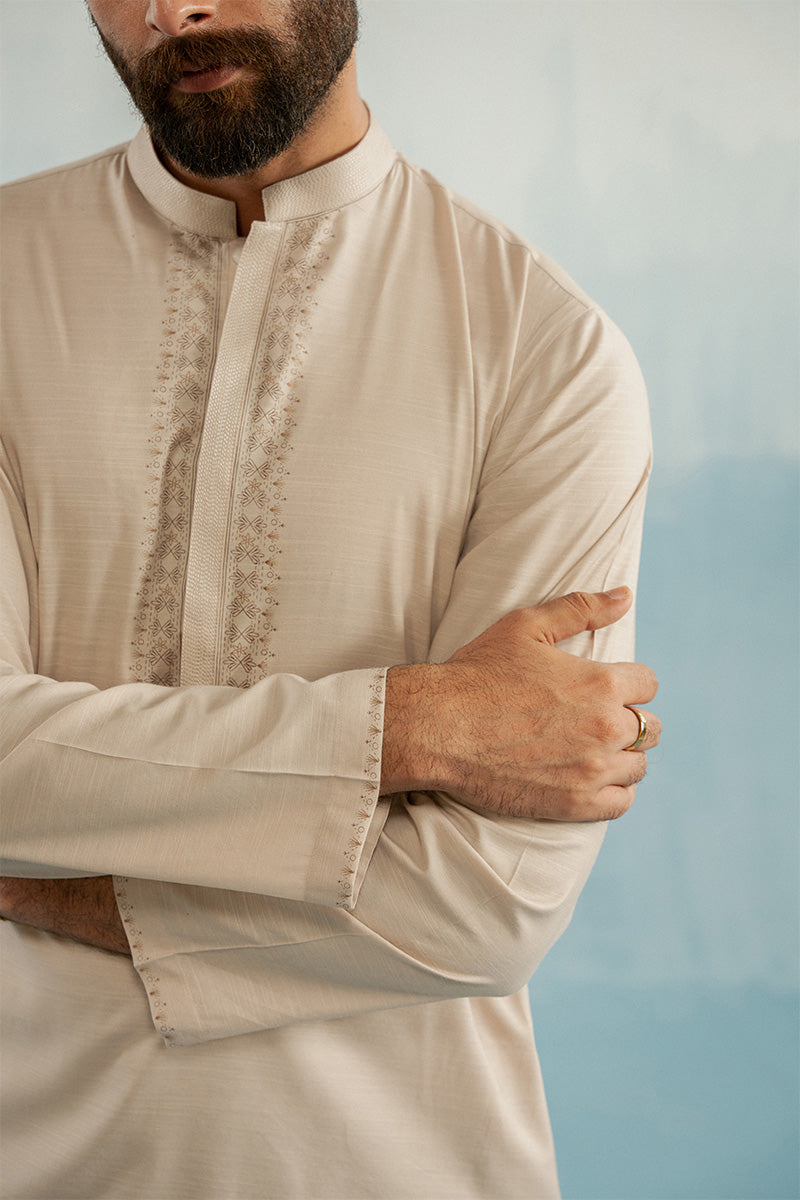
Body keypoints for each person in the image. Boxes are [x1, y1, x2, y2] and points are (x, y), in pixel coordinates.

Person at [0, 2, 660, 1196]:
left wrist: (51, 886)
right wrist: (408, 726)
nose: (170, 12)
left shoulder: (544, 352)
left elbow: (481, 908)